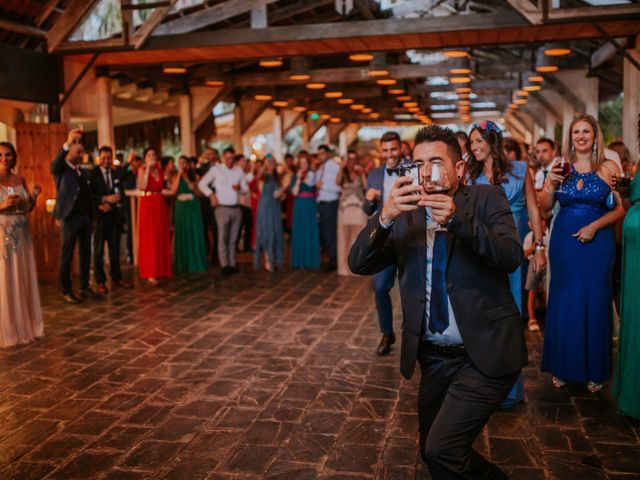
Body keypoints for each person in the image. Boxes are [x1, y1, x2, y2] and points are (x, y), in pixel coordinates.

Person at [349, 125, 526, 480]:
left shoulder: (486, 198)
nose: (426, 171)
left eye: (436, 162)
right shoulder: (405, 215)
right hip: (435, 359)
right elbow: (360, 263)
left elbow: (510, 256)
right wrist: (384, 216)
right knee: (434, 449)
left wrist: (458, 220)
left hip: (485, 352)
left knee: (441, 449)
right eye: (418, 163)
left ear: (459, 169)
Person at [539, 114, 624, 393]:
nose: (581, 136)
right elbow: (544, 208)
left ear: (595, 135)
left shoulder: (608, 166)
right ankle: (563, 366)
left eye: (586, 131)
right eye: (577, 131)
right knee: (564, 301)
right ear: (570, 137)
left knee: (595, 301)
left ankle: (595, 372)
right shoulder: (560, 167)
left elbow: (620, 208)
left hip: (598, 245)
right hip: (564, 244)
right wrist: (550, 183)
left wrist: (594, 227)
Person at [468, 120, 546, 409]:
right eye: (471, 142)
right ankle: (478, 388)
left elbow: (535, 211)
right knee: (479, 317)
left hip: (510, 254)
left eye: (478, 141)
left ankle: (509, 390)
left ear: (492, 141)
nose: (474, 147)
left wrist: (539, 248)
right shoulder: (470, 175)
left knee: (509, 320)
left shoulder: (520, 171)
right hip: (479, 252)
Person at [362, 131, 404, 356]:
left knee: (412, 290)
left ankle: (419, 336)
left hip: (409, 238)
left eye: (393, 149)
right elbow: (367, 210)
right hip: (385, 239)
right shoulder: (375, 174)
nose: (390, 154)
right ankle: (387, 333)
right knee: (379, 288)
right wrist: (368, 200)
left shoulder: (412, 170)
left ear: (401, 148)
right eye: (386, 150)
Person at [0, 142, 44, 347]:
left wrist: (33, 196)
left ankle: (27, 326)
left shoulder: (20, 179)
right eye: (0, 155)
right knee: (7, 278)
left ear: (14, 156)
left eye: (8, 154)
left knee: (23, 276)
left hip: (23, 232)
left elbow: (27, 207)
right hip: (4, 233)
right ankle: (8, 330)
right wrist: (3, 205)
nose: (4, 158)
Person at [51, 128, 99, 303]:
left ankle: (84, 286)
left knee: (86, 252)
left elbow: (89, 195)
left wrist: (91, 217)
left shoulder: (83, 171)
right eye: (77, 149)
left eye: (82, 150)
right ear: (69, 151)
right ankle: (66, 290)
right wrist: (68, 142)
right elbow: (55, 164)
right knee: (68, 254)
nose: (81, 152)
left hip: (85, 218)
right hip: (69, 218)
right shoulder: (61, 169)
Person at [612, 126, 640, 419]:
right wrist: (624, 190)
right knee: (632, 313)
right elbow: (632, 197)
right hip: (633, 243)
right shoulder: (639, 160)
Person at [198, 147, 248, 276]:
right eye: (227, 158)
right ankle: (224, 264)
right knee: (222, 237)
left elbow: (246, 189)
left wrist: (240, 188)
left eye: (231, 158)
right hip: (222, 208)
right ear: (223, 158)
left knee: (233, 239)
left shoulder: (239, 171)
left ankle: (232, 263)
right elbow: (201, 184)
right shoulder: (216, 170)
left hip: (236, 208)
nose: (229, 161)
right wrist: (211, 194)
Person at [89, 146, 127, 294]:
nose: (106, 161)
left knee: (115, 248)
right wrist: (103, 201)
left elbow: (121, 193)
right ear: (99, 158)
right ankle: (100, 281)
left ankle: (117, 277)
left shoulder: (116, 172)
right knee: (98, 251)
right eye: (104, 158)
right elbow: (90, 195)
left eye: (109, 158)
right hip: (99, 217)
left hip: (114, 216)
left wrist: (116, 201)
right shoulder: (92, 174)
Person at [166, 155, 207, 273]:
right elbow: (173, 191)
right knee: (182, 233)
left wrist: (192, 185)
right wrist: (179, 175)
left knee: (194, 232)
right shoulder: (175, 177)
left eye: (184, 163)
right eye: (180, 163)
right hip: (181, 207)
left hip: (193, 207)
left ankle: (195, 261)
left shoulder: (195, 177)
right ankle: (182, 263)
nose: (183, 165)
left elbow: (200, 195)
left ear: (189, 165)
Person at [137, 147, 172, 285]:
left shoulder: (160, 170)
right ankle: (150, 272)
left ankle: (161, 269)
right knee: (150, 237)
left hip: (159, 203)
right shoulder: (142, 170)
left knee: (160, 235)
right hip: (147, 204)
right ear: (145, 157)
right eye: (149, 155)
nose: (152, 157)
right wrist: (147, 170)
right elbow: (143, 186)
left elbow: (163, 186)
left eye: (154, 154)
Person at [336, 152, 367, 276]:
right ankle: (344, 268)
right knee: (344, 238)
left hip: (358, 208)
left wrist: (362, 173)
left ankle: (358, 267)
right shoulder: (343, 173)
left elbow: (365, 186)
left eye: (354, 159)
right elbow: (337, 182)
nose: (352, 162)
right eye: (350, 159)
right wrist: (342, 167)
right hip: (345, 209)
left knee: (358, 237)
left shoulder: (360, 172)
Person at [254, 157, 285, 271]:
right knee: (267, 231)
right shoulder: (264, 176)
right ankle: (268, 259)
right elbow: (258, 177)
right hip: (266, 206)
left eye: (273, 162)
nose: (271, 164)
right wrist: (264, 165)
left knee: (276, 232)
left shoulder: (277, 177)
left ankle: (274, 259)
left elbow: (281, 190)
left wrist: (281, 194)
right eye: (269, 162)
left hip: (275, 206)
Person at [290, 156, 320, 269]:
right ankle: (300, 260)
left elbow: (313, 185)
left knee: (310, 230)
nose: (303, 165)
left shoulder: (313, 174)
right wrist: (298, 179)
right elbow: (294, 192)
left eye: (305, 163)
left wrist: (304, 177)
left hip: (310, 205)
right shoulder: (295, 176)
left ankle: (311, 260)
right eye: (301, 163)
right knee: (300, 230)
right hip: (299, 205)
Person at [315, 144, 341, 271]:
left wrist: (323, 186)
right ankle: (329, 259)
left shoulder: (335, 167)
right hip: (321, 204)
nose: (320, 156)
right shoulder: (320, 169)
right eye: (319, 154)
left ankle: (333, 261)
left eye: (322, 153)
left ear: (328, 154)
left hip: (331, 204)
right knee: (323, 233)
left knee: (330, 233)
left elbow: (339, 188)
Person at [523, 221, 549, 332]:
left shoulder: (549, 235)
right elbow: (525, 253)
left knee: (547, 291)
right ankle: (532, 318)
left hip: (547, 264)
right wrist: (533, 247)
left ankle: (548, 315)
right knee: (532, 291)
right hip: (533, 265)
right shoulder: (529, 236)